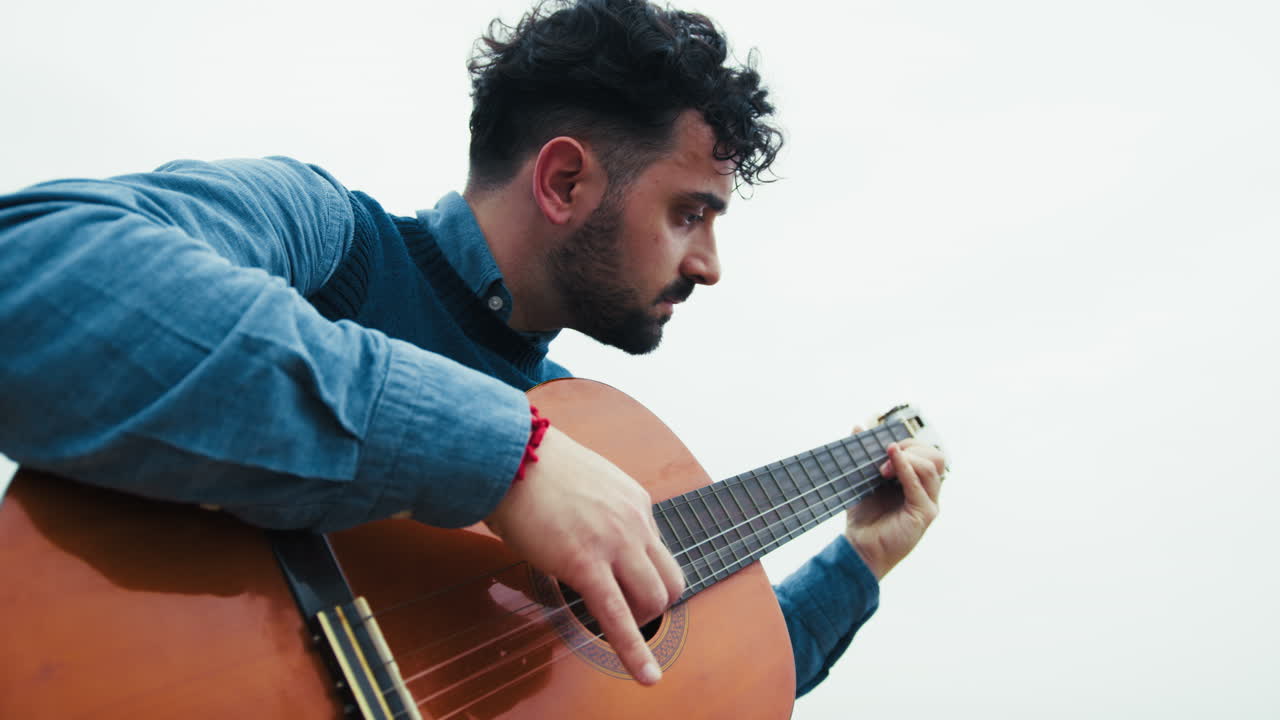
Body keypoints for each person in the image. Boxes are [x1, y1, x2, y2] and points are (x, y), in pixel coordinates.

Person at [0, 0, 944, 697]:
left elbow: (701, 686)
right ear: (566, 179)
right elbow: (31, 271)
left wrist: (859, 562)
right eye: (689, 212)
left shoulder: (581, 429)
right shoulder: (333, 245)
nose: (709, 264)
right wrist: (508, 459)